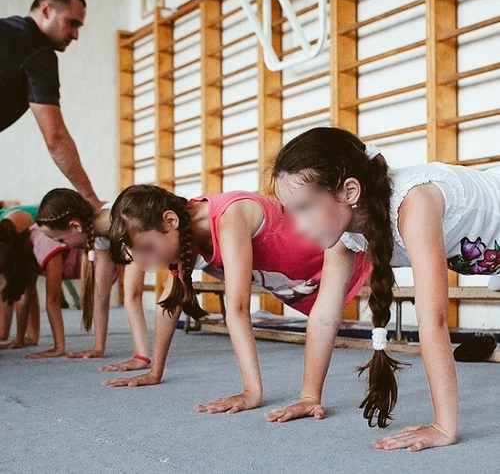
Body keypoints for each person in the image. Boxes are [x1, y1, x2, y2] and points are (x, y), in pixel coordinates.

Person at [266, 126, 500, 452]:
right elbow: (324, 316)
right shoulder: (345, 231)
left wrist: (444, 426)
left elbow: (433, 320)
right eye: (292, 211)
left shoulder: (414, 205)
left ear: (350, 191)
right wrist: (309, 396)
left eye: (305, 207)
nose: (300, 226)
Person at [102, 185, 371, 417]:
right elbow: (169, 303)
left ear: (170, 220)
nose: (149, 260)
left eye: (148, 248)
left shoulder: (229, 216)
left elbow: (238, 309)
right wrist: (155, 372)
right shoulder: (183, 233)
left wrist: (251, 392)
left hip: (341, 253)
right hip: (313, 280)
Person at [0, 0, 99, 208]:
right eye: (72, 23)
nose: (76, 35)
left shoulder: (6, 28)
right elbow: (56, 138)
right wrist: (90, 198)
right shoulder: (38, 53)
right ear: (46, 10)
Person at [36, 189, 148, 371]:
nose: (63, 245)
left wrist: (140, 358)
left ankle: (142, 354)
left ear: (75, 226)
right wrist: (98, 347)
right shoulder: (100, 233)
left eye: (61, 239)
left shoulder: (126, 222)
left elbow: (133, 294)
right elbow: (101, 293)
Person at [0, 206, 82, 357]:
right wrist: (19, 339)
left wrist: (58, 348)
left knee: (51, 298)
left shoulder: (44, 241)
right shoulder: (24, 252)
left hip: (97, 257)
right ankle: (29, 337)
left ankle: (59, 345)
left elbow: (53, 299)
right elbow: (24, 295)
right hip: (82, 264)